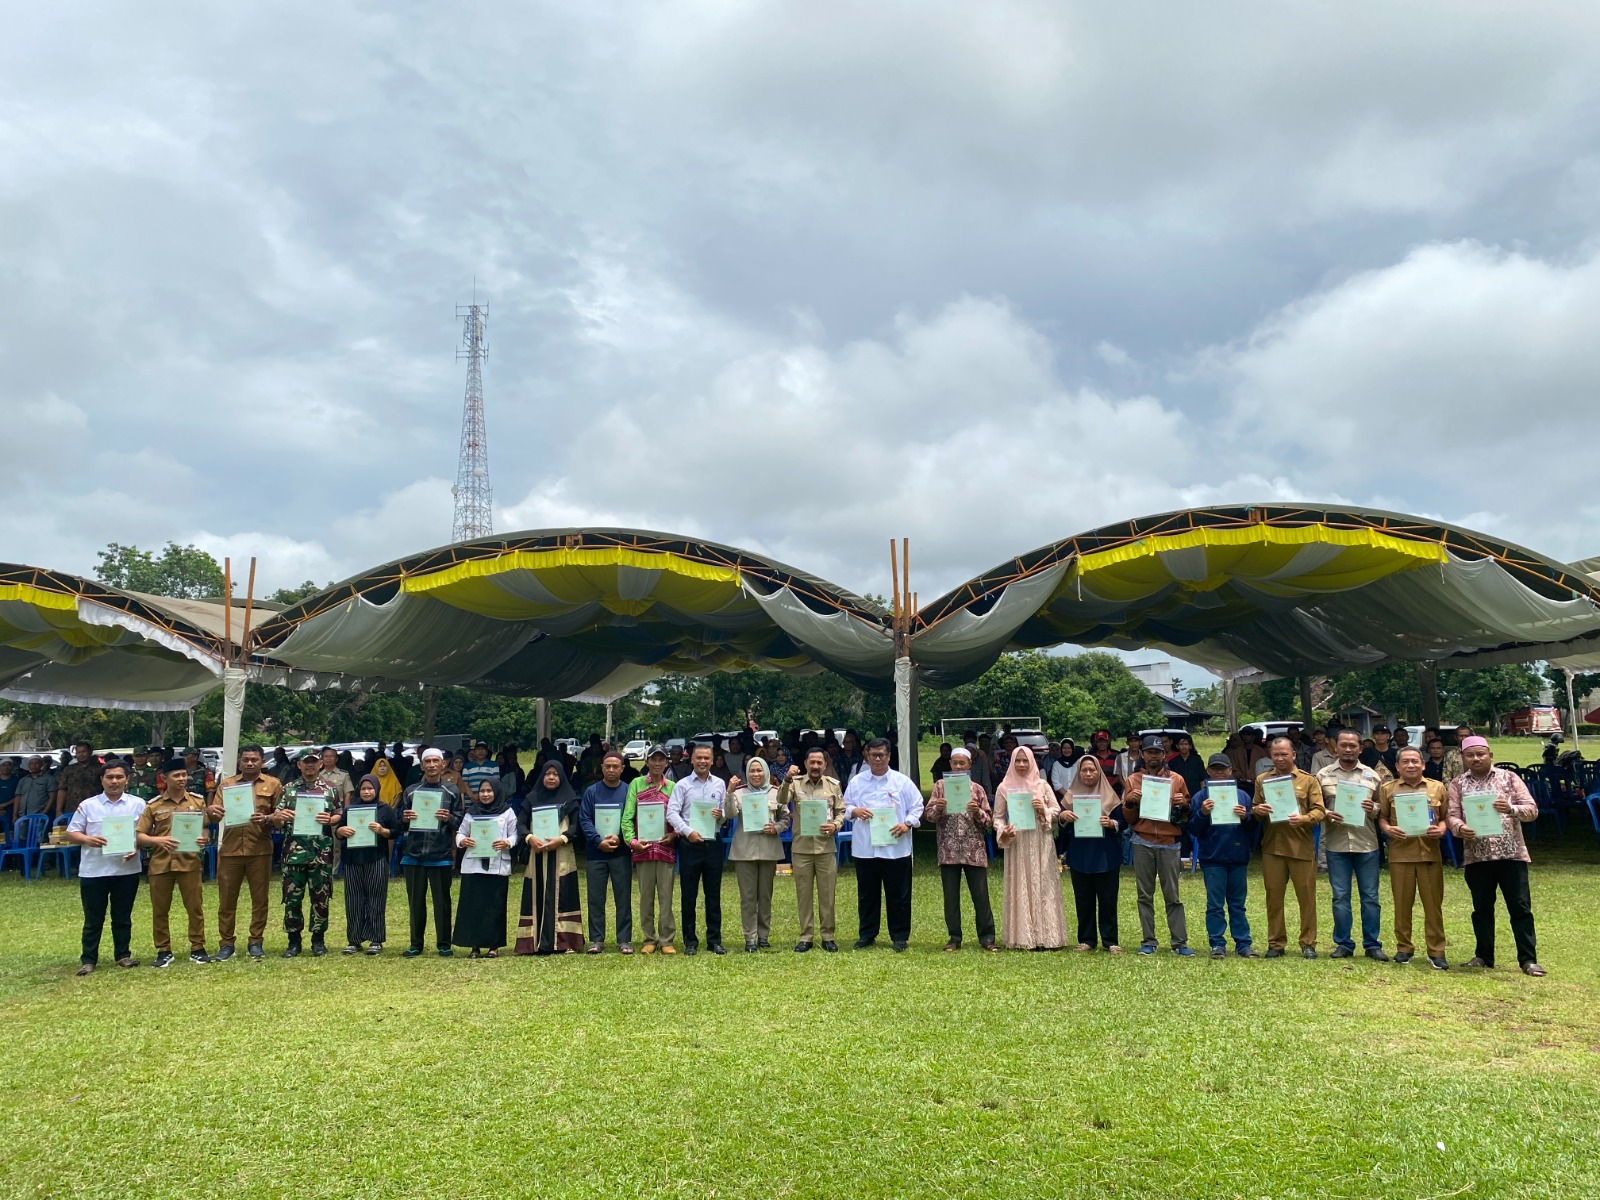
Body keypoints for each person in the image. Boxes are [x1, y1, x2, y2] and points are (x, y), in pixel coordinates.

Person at [1447, 736, 1544, 976]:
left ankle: (1528, 959)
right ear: (1463, 758)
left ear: (1490, 754)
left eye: (1480, 754)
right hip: (1477, 856)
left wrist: (1511, 809)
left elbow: (1532, 810)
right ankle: (1483, 956)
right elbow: (1452, 815)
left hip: (1511, 854)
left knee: (1520, 907)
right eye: (1470, 755)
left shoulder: (1509, 778)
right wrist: (1460, 828)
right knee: (1481, 908)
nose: (1476, 758)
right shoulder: (1458, 784)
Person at [65, 760, 146, 975]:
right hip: (94, 870)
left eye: (119, 777)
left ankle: (123, 955)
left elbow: (145, 834)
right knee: (93, 918)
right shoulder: (88, 805)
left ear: (127, 779)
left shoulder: (138, 804)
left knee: (122, 916)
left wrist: (137, 847)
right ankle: (89, 959)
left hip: (126, 869)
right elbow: (71, 833)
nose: (114, 781)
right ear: (101, 779)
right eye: (109, 777)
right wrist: (87, 839)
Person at [204, 745, 283, 961]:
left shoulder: (273, 784)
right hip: (230, 850)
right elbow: (214, 817)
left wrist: (267, 818)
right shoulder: (227, 785)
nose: (249, 763)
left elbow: (281, 817)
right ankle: (226, 943)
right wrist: (212, 811)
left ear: (262, 762)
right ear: (239, 762)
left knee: (260, 899)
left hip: (260, 849)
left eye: (254, 759)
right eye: (245, 759)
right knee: (227, 900)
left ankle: (256, 941)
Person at [844, 737, 923, 952]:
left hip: (896, 848)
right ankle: (867, 934)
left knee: (899, 895)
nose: (877, 759)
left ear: (889, 756)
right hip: (866, 848)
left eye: (882, 755)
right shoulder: (857, 782)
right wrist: (855, 811)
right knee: (867, 894)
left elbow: (918, 806)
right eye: (873, 755)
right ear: (866, 756)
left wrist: (907, 824)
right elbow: (844, 806)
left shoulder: (901, 782)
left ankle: (899, 936)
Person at [1317, 729, 1389, 961]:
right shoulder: (1323, 775)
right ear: (1335, 747)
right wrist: (1327, 813)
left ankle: (1372, 944)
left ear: (1360, 748)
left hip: (1366, 844)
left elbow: (1383, 807)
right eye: (1343, 745)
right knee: (1340, 897)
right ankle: (1344, 944)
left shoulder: (1372, 775)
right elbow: (1315, 807)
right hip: (1336, 844)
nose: (1348, 749)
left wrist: (1374, 809)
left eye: (1353, 746)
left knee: (1370, 897)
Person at [1377, 748, 1450, 969]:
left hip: (1429, 854)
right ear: (1397, 766)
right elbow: (1382, 817)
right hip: (1401, 854)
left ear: (1423, 764)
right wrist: (1388, 829)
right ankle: (1404, 948)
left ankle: (1436, 951)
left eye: (1415, 761)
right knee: (1402, 904)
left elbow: (1446, 817)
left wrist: (1441, 829)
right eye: (1405, 762)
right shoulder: (1387, 789)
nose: (1411, 765)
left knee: (1433, 905)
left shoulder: (1437, 787)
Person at [1253, 734, 1324, 958]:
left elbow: (1320, 811)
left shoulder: (1308, 780)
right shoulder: (1262, 780)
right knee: (1274, 898)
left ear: (1293, 754)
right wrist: (1258, 811)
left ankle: (1308, 943)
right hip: (1273, 847)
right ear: (1270, 756)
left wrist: (1303, 819)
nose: (1280, 758)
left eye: (1284, 754)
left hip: (1300, 847)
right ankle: (1276, 943)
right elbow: (1255, 808)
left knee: (1306, 898)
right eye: (1276, 754)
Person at [1122, 734, 1193, 956]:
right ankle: (1149, 941)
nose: (1154, 756)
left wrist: (1184, 806)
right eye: (1150, 752)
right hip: (1142, 840)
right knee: (1145, 894)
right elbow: (1129, 819)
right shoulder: (1133, 780)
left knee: (1172, 895)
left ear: (1164, 754)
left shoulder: (1177, 780)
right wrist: (1131, 802)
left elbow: (1183, 819)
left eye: (1158, 752)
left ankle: (1179, 942)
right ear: (1142, 754)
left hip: (1169, 842)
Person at [134, 759, 210, 967]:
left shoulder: (197, 802)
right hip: (161, 864)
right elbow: (139, 836)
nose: (182, 779)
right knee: (160, 910)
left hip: (189, 862)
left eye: (184, 775)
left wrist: (204, 838)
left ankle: (198, 947)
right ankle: (163, 950)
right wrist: (158, 840)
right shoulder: (154, 806)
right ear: (164, 778)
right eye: (176, 775)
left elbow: (204, 827)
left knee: (195, 907)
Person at [993, 746, 1066, 951]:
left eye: (1026, 761)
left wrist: (1042, 808)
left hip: (1040, 841)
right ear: (1012, 762)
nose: (1022, 765)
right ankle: (1024, 936)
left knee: (1044, 883)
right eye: (1018, 761)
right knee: (1021, 883)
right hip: (1017, 841)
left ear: (1032, 762)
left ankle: (1048, 936)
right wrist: (1003, 830)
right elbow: (997, 817)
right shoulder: (1004, 787)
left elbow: (1057, 810)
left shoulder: (1042, 785)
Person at [925, 747, 996, 952]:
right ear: (950, 765)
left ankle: (987, 937)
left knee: (981, 895)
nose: (957, 766)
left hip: (974, 849)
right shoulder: (940, 786)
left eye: (962, 763)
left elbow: (989, 821)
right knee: (951, 896)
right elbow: (928, 816)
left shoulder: (977, 789)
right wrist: (938, 808)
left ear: (969, 765)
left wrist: (978, 812)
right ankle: (954, 938)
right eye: (954, 763)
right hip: (948, 851)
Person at [272, 749, 340, 958]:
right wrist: (280, 816)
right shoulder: (288, 789)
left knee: (321, 897)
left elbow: (338, 813)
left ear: (320, 764)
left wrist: (330, 820)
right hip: (294, 851)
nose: (310, 766)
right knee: (292, 898)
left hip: (321, 851)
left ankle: (318, 940)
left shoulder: (330, 789)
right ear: (299, 765)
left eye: (314, 762)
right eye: (306, 762)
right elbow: (276, 818)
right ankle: (294, 942)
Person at [1190, 754, 1256, 959]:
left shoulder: (1242, 796)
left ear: (1230, 771)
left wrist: (1246, 817)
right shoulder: (1200, 797)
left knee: (1238, 905)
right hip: (1213, 859)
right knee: (1215, 905)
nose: (1219, 772)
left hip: (1237, 858)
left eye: (1223, 769)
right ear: (1208, 771)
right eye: (1215, 769)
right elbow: (1192, 828)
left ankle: (1243, 943)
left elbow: (1253, 828)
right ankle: (1217, 943)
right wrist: (1202, 813)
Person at [398, 747, 463, 957]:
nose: (433, 765)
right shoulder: (411, 791)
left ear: (443, 764)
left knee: (442, 903)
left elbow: (461, 821)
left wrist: (449, 818)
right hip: (414, 854)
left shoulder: (452, 791)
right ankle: (416, 943)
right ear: (422, 765)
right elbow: (401, 822)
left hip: (440, 854)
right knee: (416, 903)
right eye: (428, 761)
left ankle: (444, 943)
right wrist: (405, 819)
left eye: (437, 761)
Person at [779, 747, 845, 953]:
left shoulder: (833, 785)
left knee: (827, 895)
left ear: (825, 765)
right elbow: (781, 800)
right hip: (802, 849)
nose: (815, 766)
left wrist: (835, 825)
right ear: (806, 763)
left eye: (819, 763)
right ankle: (805, 936)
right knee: (804, 895)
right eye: (812, 762)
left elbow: (841, 811)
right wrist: (787, 779)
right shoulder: (795, 783)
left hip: (826, 848)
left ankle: (828, 936)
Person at [515, 760, 584, 955]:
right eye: (548, 773)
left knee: (563, 892)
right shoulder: (532, 798)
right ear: (542, 776)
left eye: (555, 774)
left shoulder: (569, 799)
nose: (551, 777)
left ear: (561, 776)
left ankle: (565, 941)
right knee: (536, 893)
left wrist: (561, 839)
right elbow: (520, 823)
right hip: (537, 854)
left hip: (562, 853)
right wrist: (529, 838)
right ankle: (533, 942)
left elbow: (576, 827)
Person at [668, 744, 728, 956]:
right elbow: (672, 813)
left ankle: (714, 940)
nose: (703, 761)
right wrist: (687, 831)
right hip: (690, 844)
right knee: (689, 894)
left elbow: (724, 816)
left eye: (706, 758)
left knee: (713, 894)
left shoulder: (720, 784)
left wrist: (720, 814)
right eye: (699, 758)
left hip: (713, 843)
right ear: (691, 760)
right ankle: (690, 941)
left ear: (712, 761)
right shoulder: (682, 785)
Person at [1059, 756, 1123, 953]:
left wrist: (1112, 823)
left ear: (1099, 772)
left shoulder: (1111, 796)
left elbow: (1123, 822)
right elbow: (1063, 832)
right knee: (1083, 899)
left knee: (1108, 899)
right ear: (1078, 773)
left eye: (1092, 770)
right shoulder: (1069, 799)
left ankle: (1110, 940)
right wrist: (1062, 818)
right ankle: (1087, 939)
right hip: (1080, 854)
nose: (1088, 774)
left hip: (1106, 854)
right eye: (1084, 770)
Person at [727, 756, 790, 951]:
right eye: (752, 771)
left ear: (766, 772)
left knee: (765, 895)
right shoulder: (739, 793)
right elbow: (729, 814)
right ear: (747, 773)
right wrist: (729, 792)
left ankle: (763, 936)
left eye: (759, 770)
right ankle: (750, 938)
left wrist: (776, 828)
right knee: (747, 897)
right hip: (744, 851)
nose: (756, 774)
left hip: (769, 849)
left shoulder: (776, 793)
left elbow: (785, 818)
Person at [334, 773, 400, 955]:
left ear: (377, 789)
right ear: (359, 790)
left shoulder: (385, 809)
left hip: (376, 859)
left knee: (376, 899)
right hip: (353, 860)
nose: (367, 791)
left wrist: (382, 830)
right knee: (353, 900)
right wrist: (341, 830)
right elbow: (338, 832)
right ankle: (354, 940)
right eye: (363, 788)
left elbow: (395, 831)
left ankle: (376, 939)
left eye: (370, 788)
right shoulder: (350, 810)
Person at [622, 747, 678, 955]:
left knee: (666, 896)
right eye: (653, 759)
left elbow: (678, 816)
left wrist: (674, 835)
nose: (657, 763)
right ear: (647, 761)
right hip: (642, 850)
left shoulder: (672, 787)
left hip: (665, 848)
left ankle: (666, 939)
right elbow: (628, 817)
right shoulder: (636, 784)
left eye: (661, 759)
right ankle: (649, 938)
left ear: (666, 763)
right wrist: (632, 841)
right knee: (645, 896)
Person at [453, 778, 517, 957]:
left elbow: (515, 834)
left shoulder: (507, 812)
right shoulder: (471, 813)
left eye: (489, 791)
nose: (486, 794)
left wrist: (507, 842)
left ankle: (493, 946)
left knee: (494, 907)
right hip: (473, 866)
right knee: (474, 907)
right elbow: (460, 833)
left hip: (497, 867)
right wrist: (462, 841)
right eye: (482, 791)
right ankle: (475, 946)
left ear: (496, 792)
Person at [579, 751, 633, 954]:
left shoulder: (628, 792)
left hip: (621, 853)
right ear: (601, 767)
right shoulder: (591, 792)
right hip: (596, 854)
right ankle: (596, 939)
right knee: (595, 897)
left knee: (623, 897)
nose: (611, 770)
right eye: (607, 766)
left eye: (615, 766)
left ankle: (624, 939)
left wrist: (620, 837)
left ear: (622, 769)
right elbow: (584, 820)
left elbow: (630, 817)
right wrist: (598, 841)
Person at [51, 740, 102, 818]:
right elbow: (62, 789)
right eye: (78, 752)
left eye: (84, 751)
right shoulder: (68, 770)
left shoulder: (100, 768)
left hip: (95, 808)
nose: (81, 754)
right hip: (73, 809)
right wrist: (59, 809)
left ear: (90, 752)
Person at [13, 755, 53, 819]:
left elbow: (52, 797)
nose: (34, 766)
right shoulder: (23, 780)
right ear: (28, 766)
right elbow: (18, 797)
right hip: (22, 815)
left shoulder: (49, 779)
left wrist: (44, 812)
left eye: (36, 763)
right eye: (31, 764)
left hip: (40, 815)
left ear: (41, 764)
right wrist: (15, 815)